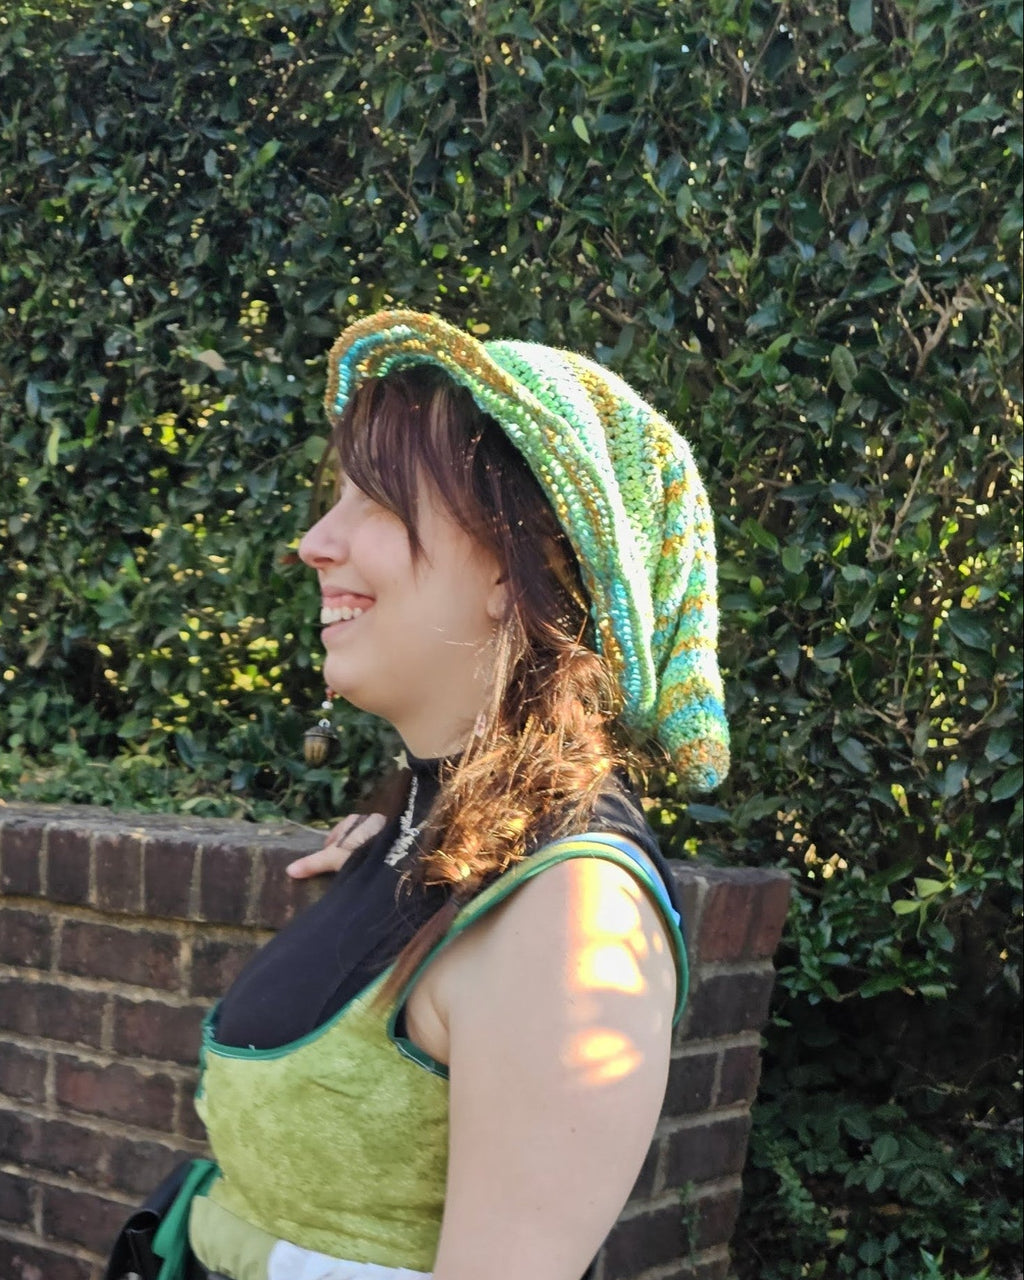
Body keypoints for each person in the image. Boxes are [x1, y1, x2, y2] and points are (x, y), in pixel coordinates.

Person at [184, 310, 729, 1280]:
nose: (313, 541)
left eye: (377, 502)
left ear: (524, 569)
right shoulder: (424, 842)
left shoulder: (567, 917)